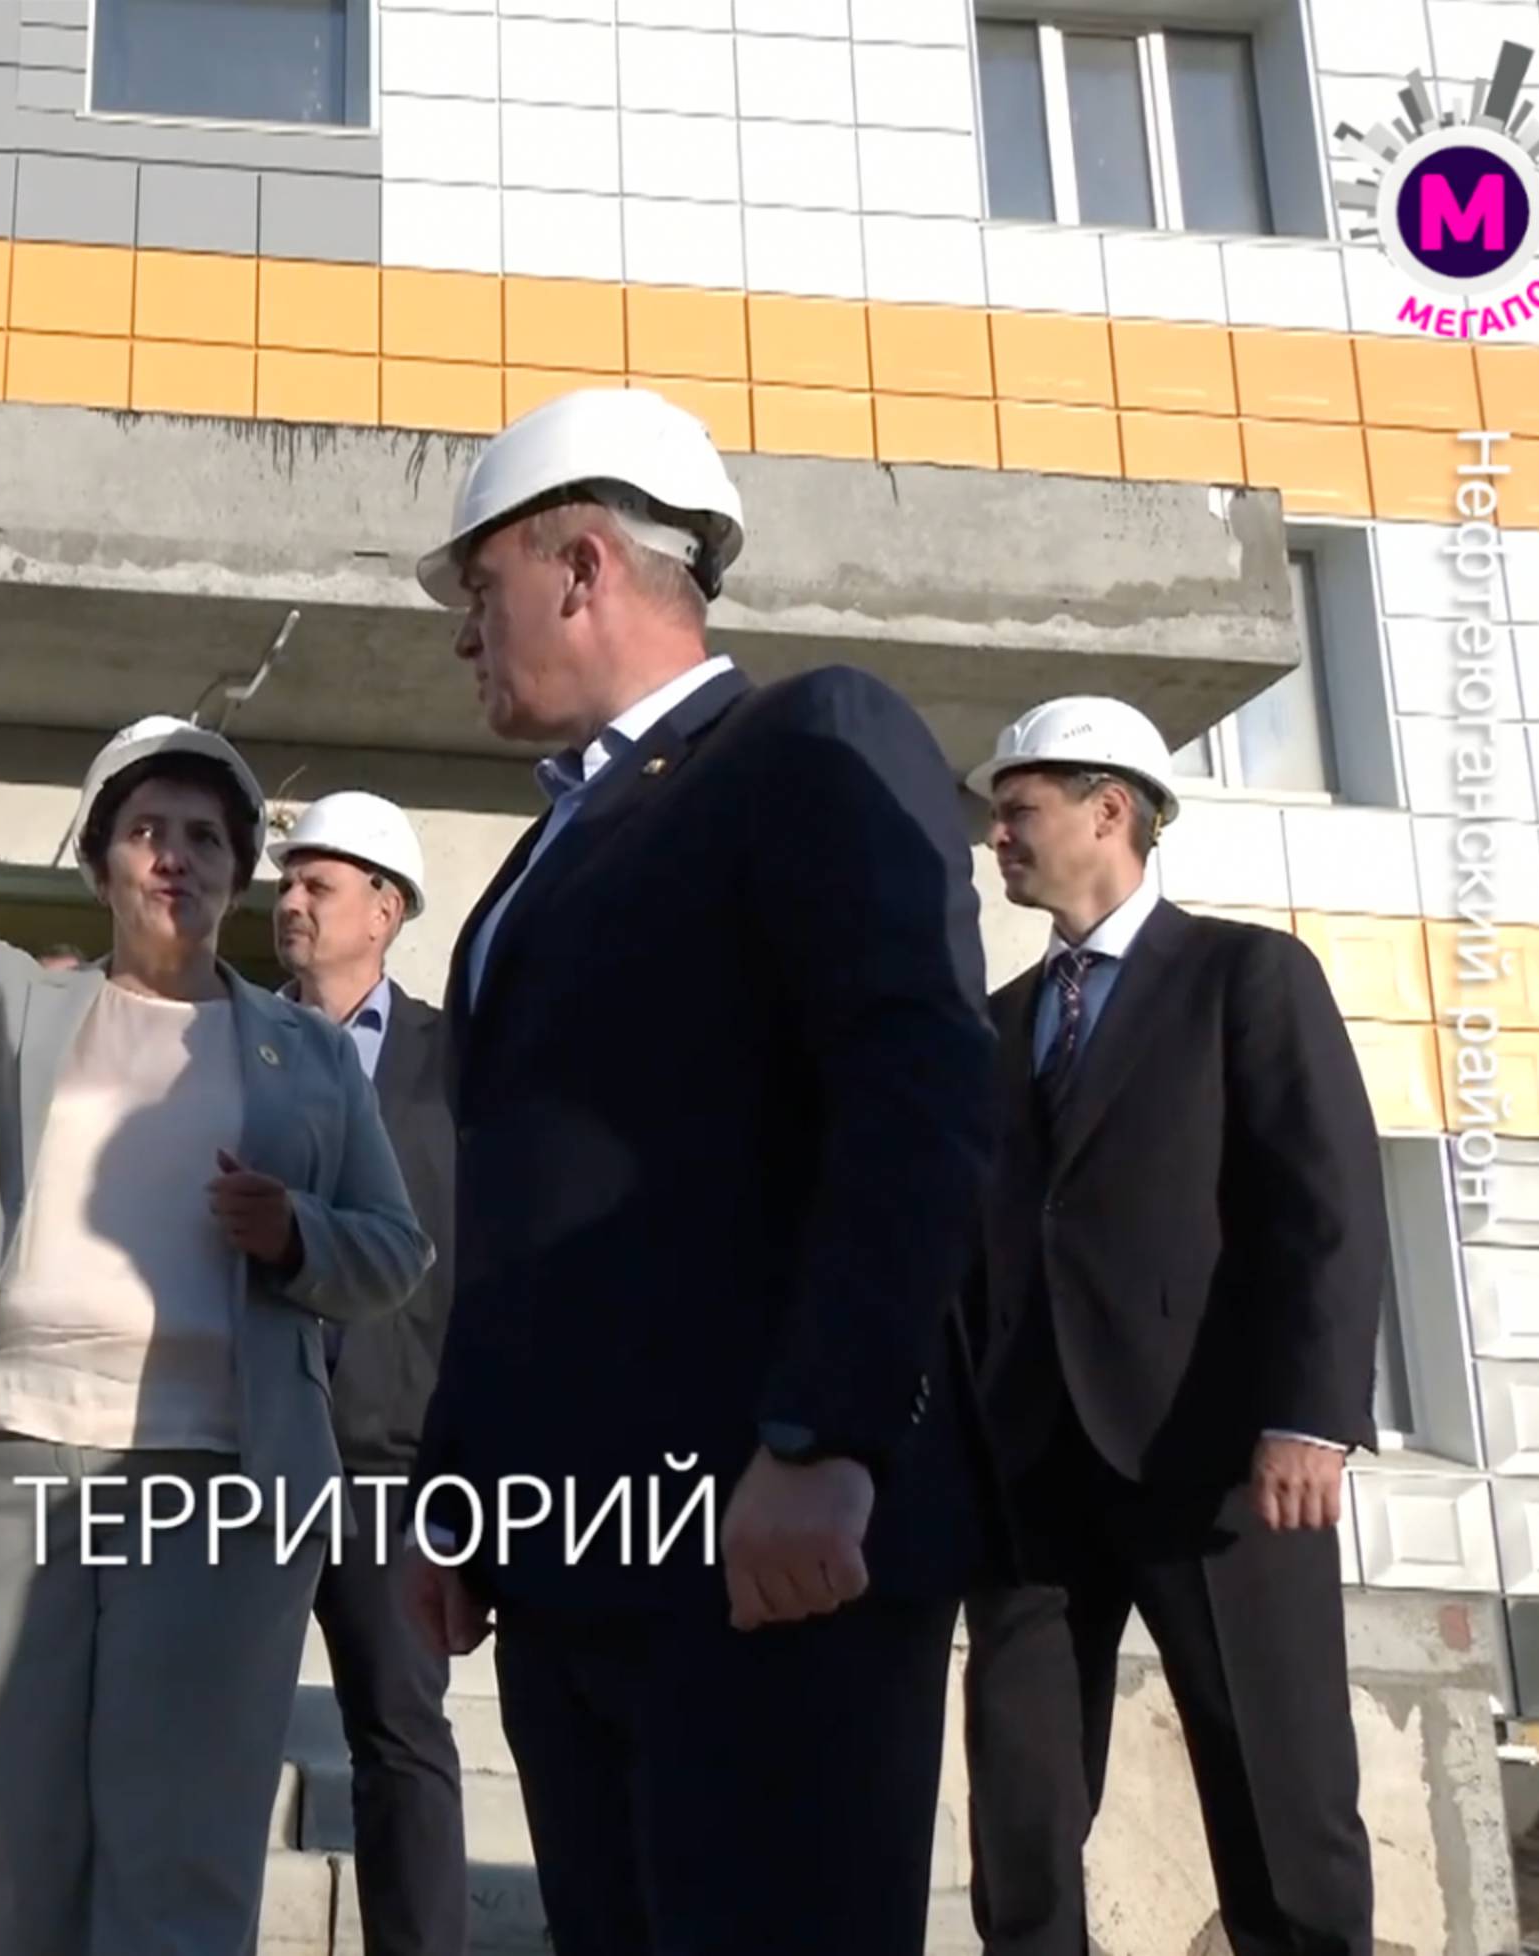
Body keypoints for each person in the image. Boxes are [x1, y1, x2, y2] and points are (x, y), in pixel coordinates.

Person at [400, 387, 999, 1956]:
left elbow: (916, 1089)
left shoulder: (809, 741)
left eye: (481, 589)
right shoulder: (537, 861)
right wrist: (459, 1493)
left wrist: (828, 1433)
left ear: (581, 565)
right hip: (576, 1559)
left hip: (766, 1549)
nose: (465, 635)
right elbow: (521, 1217)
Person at [0, 628, 434, 1956]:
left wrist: (294, 1233)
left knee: (186, 1854)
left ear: (239, 873)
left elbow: (395, 1252)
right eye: (147, 830)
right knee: (27, 1847)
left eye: (206, 838)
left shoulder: (303, 1055)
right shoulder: (16, 1007)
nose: (176, 855)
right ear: (102, 860)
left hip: (222, 1483)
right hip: (8, 1464)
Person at [956, 697, 1384, 1956]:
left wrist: (1311, 1417)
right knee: (1022, 1814)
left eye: (1019, 809)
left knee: (1279, 1800)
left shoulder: (1246, 977)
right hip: (1032, 1482)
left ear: (1110, 810)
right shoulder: (999, 1023)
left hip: (1216, 1466)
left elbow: (1326, 1206)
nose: (997, 836)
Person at [269, 791, 466, 1956]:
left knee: (401, 1736)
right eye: (287, 883)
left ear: (385, 909)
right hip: (241, 1447)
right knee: (198, 1730)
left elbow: (480, 1260)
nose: (290, 901)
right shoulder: (227, 1042)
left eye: (318, 884)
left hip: (394, 1459)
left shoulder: (457, 1064)